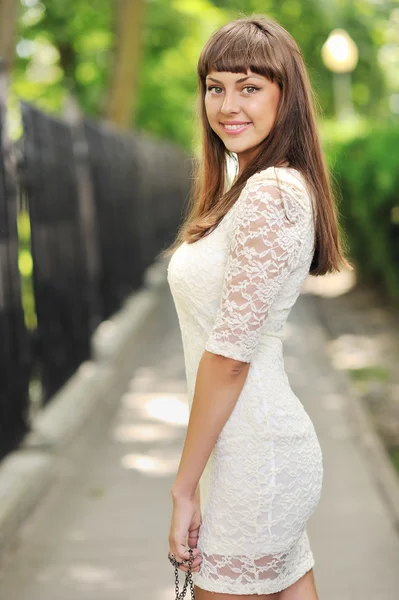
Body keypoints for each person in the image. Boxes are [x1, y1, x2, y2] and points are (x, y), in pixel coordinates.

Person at [165, 14, 351, 600]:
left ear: (285, 97)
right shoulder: (253, 185)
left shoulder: (270, 192)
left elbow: (230, 357)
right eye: (215, 86)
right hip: (253, 451)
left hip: (254, 458)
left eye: (250, 87)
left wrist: (183, 487)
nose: (227, 104)